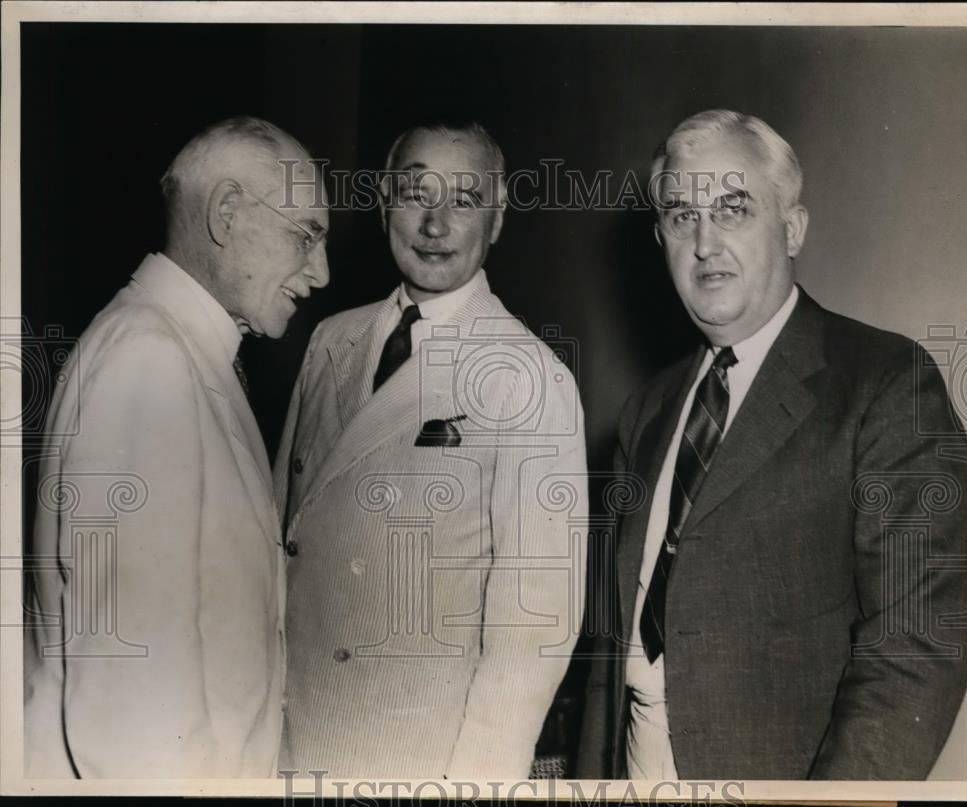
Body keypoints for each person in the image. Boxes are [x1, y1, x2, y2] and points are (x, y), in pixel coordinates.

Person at [577, 109, 967, 780]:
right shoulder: (647, 410)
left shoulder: (884, 383)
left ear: (792, 229)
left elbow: (915, 651)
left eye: (733, 209)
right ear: (659, 236)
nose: (704, 243)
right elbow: (610, 662)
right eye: (680, 216)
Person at [274, 122, 587, 779]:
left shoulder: (525, 374)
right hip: (289, 727)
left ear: (496, 223)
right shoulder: (331, 339)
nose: (435, 222)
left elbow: (534, 627)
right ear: (387, 201)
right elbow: (278, 540)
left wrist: (477, 780)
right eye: (416, 191)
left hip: (416, 748)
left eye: (465, 200)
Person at [23, 116, 330, 777]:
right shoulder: (150, 360)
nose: (323, 272)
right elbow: (133, 708)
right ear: (225, 213)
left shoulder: (186, 351)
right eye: (308, 234)